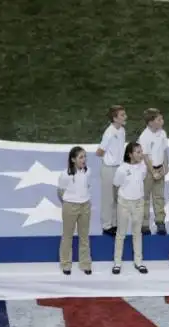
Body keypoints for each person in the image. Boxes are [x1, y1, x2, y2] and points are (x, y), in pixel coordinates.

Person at [112, 142, 147, 275]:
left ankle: (139, 262)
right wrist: (119, 201)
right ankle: (117, 263)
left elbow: (142, 179)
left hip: (138, 203)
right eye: (137, 152)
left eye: (141, 151)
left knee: (137, 233)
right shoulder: (122, 169)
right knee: (121, 233)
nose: (141, 154)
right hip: (124, 203)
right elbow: (116, 185)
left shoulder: (143, 166)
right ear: (130, 154)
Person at [57, 146, 92, 275]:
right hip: (70, 206)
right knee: (68, 236)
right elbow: (60, 192)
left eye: (85, 157)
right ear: (73, 160)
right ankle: (66, 264)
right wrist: (68, 202)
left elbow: (87, 186)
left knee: (84, 236)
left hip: (85, 206)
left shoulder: (88, 172)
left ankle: (85, 263)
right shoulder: (65, 175)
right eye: (81, 157)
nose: (84, 160)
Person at [95, 105, 126, 235]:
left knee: (117, 197)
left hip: (119, 168)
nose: (125, 117)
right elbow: (99, 152)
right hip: (109, 169)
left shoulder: (122, 130)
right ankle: (107, 225)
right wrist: (110, 159)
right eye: (122, 115)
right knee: (108, 198)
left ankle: (115, 223)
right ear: (114, 118)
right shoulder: (109, 133)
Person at [138, 108, 168, 235]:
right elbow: (145, 157)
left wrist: (165, 166)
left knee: (159, 196)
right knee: (145, 197)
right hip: (147, 171)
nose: (162, 121)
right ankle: (144, 224)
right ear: (151, 122)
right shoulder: (144, 136)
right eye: (159, 119)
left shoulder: (162, 133)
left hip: (159, 168)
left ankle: (160, 221)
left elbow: (164, 150)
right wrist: (153, 172)